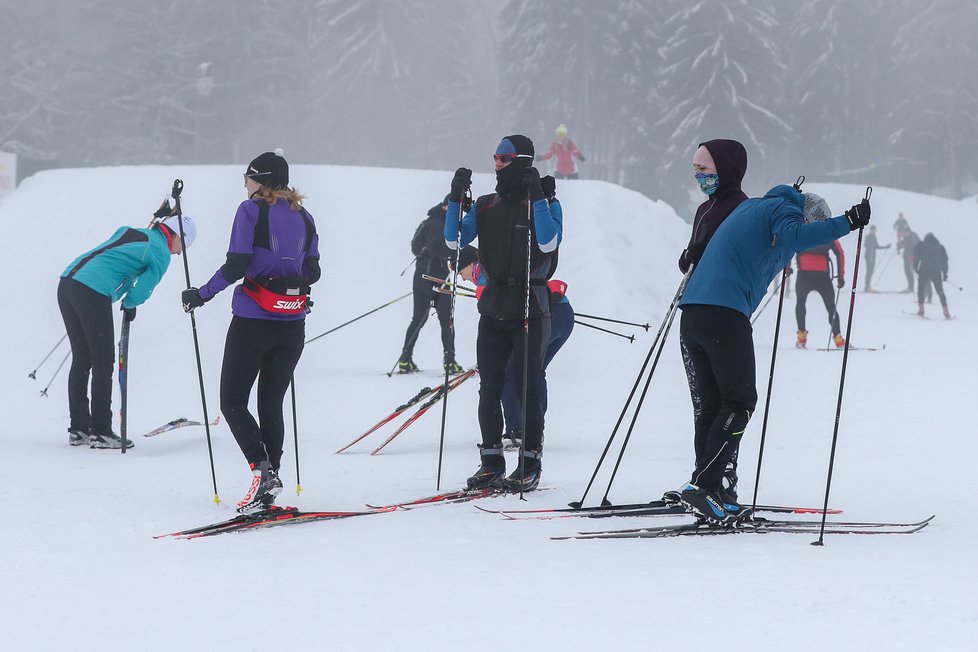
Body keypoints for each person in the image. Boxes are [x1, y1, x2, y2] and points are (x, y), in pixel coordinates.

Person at [674, 185, 870, 526]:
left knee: (712, 406)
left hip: (693, 314)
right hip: (724, 314)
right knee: (739, 403)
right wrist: (848, 222)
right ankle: (703, 486)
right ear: (808, 215)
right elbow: (796, 236)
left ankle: (710, 489)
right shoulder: (784, 210)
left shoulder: (755, 208)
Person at [181, 150, 321, 515]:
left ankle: (261, 470)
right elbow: (314, 271)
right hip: (293, 325)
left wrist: (201, 294)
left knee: (232, 402)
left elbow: (237, 264)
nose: (244, 184)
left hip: (253, 321)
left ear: (260, 180)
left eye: (247, 177)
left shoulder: (250, 211)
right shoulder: (304, 216)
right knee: (270, 403)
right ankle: (268, 486)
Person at [444, 134, 563, 492]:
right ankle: (491, 462)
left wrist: (539, 198)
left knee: (526, 387)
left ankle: (529, 464)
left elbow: (548, 243)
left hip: (531, 306)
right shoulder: (484, 205)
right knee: (489, 387)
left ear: (523, 161)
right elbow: (454, 241)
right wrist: (455, 200)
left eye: (505, 158)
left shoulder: (545, 202)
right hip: (494, 308)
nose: (497, 162)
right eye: (495, 156)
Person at [58, 213, 195, 449]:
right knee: (103, 361)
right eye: (183, 245)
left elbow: (115, 258)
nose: (179, 252)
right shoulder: (160, 251)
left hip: (68, 282)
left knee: (82, 358)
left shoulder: (132, 231)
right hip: (92, 290)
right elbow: (145, 286)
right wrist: (131, 304)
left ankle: (79, 428)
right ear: (177, 236)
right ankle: (100, 432)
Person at [397, 194, 462, 374]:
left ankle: (405, 359)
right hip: (438, 278)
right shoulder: (438, 224)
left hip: (421, 276)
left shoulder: (430, 221)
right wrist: (455, 253)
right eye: (452, 208)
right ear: (445, 207)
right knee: (446, 320)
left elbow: (416, 247)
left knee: (418, 318)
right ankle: (449, 361)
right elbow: (436, 248)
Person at [678, 139, 749, 274]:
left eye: (703, 168)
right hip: (695, 291)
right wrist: (688, 257)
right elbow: (686, 266)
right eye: (696, 168)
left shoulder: (743, 209)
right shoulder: (704, 209)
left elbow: (742, 263)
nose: (698, 175)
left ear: (724, 169)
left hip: (722, 292)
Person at [794, 231, 847, 349]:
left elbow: (789, 247)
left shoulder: (802, 230)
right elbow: (839, 253)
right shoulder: (828, 232)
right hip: (822, 275)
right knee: (831, 307)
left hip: (804, 275)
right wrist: (840, 276)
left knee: (801, 302)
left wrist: (787, 269)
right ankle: (838, 339)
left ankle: (802, 338)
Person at [913, 233, 951, 319]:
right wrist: (945, 273)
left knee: (921, 289)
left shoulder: (921, 245)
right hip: (936, 271)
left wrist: (916, 268)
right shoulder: (941, 247)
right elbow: (945, 261)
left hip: (924, 270)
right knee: (940, 291)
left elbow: (916, 256)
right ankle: (946, 311)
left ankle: (921, 309)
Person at [862, 225, 890, 292]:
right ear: (870, 230)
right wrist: (871, 244)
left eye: (874, 230)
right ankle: (867, 286)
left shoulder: (874, 237)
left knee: (870, 271)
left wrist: (886, 247)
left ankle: (867, 286)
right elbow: (865, 245)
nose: (873, 231)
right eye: (872, 230)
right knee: (869, 271)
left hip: (873, 256)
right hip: (869, 256)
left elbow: (877, 246)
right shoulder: (868, 237)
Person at [897, 228, 921, 294]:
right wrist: (899, 245)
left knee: (911, 272)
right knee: (907, 272)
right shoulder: (906, 238)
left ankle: (912, 288)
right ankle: (910, 287)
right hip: (906, 257)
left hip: (912, 258)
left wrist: (913, 256)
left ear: (908, 232)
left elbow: (914, 247)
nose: (904, 234)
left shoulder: (912, 238)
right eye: (904, 233)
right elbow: (903, 244)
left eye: (905, 232)